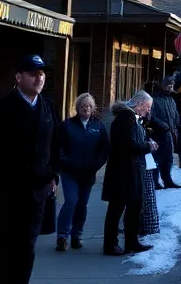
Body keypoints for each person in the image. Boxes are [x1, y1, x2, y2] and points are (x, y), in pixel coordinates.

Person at [0, 54, 59, 284]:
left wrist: (53, 175)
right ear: (19, 77)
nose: (39, 78)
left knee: (28, 242)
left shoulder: (48, 107)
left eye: (42, 74)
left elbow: (56, 144)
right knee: (6, 241)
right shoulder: (1, 108)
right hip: (6, 190)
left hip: (37, 189)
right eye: (33, 74)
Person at [102, 91, 158, 256]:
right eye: (147, 107)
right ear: (139, 104)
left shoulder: (133, 118)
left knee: (134, 207)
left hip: (133, 170)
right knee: (117, 208)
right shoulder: (125, 118)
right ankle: (111, 244)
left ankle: (131, 241)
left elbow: (136, 140)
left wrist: (147, 142)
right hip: (122, 172)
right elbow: (129, 144)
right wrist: (148, 146)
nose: (148, 111)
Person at [55, 93, 109, 252]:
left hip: (88, 172)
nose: (86, 108)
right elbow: (59, 148)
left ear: (93, 109)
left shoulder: (98, 126)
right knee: (71, 201)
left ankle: (76, 235)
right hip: (70, 172)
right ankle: (62, 236)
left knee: (82, 205)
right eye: (83, 106)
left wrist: (96, 165)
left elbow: (104, 149)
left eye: (89, 106)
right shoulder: (67, 125)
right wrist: (66, 162)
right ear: (77, 108)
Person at [148, 78, 181, 191]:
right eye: (168, 86)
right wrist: (161, 124)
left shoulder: (171, 100)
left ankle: (167, 180)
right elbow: (151, 117)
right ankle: (155, 181)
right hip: (158, 133)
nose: (170, 88)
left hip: (170, 133)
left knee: (168, 158)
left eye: (172, 86)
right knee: (157, 158)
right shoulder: (155, 99)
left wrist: (177, 121)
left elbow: (175, 114)